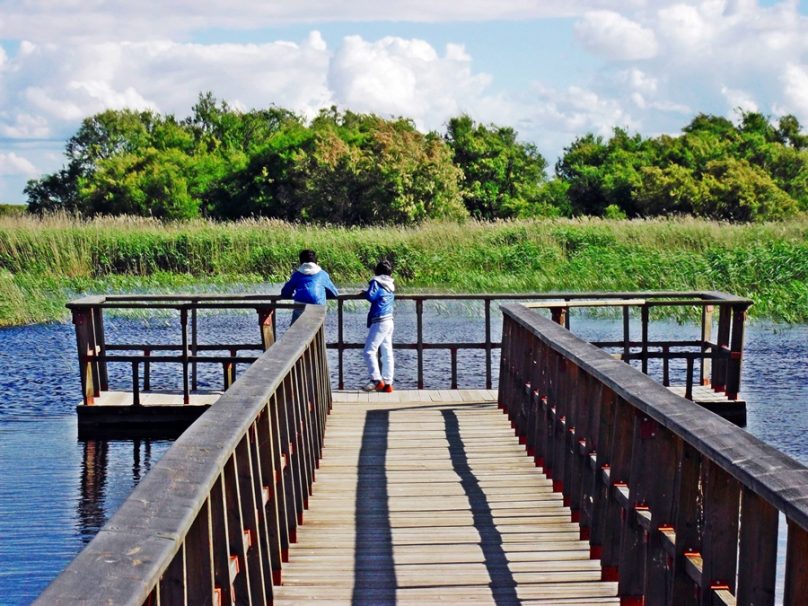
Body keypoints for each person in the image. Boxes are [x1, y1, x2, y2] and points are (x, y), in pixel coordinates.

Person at [362, 259, 395, 393]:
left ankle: (376, 380)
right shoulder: (391, 284)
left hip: (379, 320)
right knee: (387, 352)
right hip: (389, 320)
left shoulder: (376, 281)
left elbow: (371, 296)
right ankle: (388, 382)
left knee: (369, 351)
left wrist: (365, 292)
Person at [280, 249, 339, 324]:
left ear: (301, 262)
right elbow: (335, 293)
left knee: (295, 329)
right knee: (316, 329)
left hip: (300, 307)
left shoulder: (297, 275)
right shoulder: (323, 274)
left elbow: (285, 293)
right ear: (316, 262)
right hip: (318, 307)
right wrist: (323, 293)